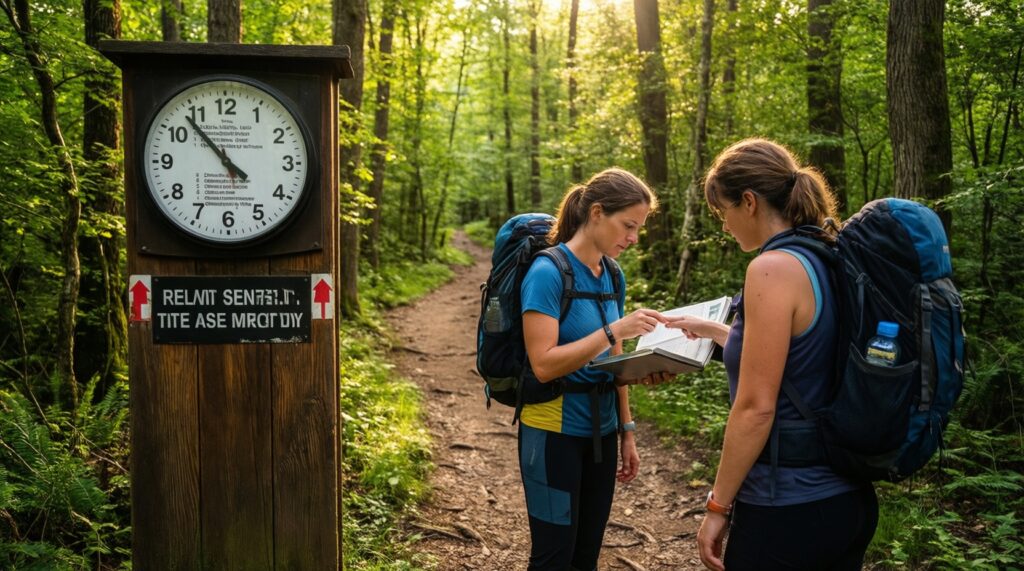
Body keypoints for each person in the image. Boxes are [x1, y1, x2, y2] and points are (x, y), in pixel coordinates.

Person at [664, 139, 878, 571]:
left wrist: (717, 506)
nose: (724, 225)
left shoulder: (771, 269)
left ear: (749, 202)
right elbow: (805, 355)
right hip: (848, 498)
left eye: (722, 210)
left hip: (788, 506)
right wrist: (716, 331)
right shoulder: (827, 254)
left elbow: (756, 408)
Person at [519, 168, 668, 570]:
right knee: (553, 557)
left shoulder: (612, 274)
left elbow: (613, 359)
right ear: (598, 212)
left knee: (585, 556)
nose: (634, 238)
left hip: (601, 433)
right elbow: (544, 364)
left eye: (638, 228)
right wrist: (613, 329)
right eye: (629, 225)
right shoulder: (547, 273)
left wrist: (628, 430)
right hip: (553, 433)